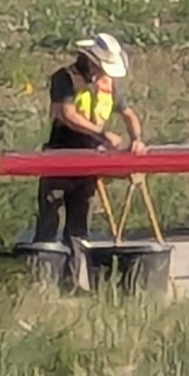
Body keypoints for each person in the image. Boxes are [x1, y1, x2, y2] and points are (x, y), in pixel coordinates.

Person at [39, 30, 140, 282]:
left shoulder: (108, 85)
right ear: (90, 60)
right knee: (49, 220)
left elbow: (129, 114)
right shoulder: (64, 79)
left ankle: (70, 282)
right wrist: (103, 134)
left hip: (89, 164)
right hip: (59, 159)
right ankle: (40, 279)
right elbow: (66, 114)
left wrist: (136, 139)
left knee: (78, 227)